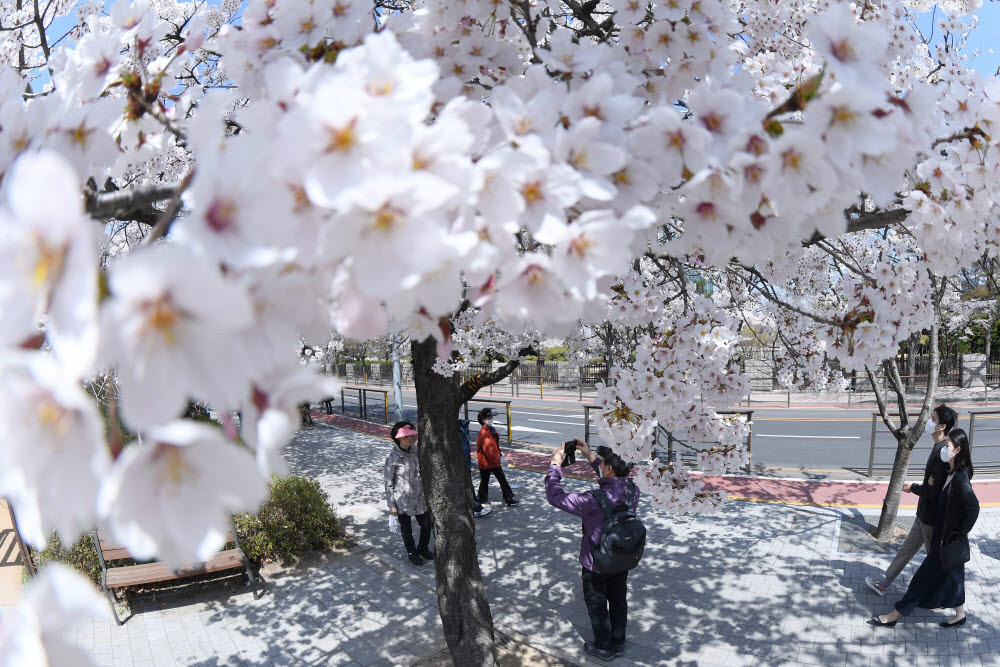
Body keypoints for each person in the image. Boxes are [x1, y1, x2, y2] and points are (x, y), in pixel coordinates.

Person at [872, 428, 980, 628]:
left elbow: (974, 508)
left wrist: (959, 533)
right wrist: (927, 485)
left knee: (921, 579)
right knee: (954, 576)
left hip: (947, 540)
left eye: (947, 445)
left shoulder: (961, 478)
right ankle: (960, 614)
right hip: (944, 536)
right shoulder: (951, 472)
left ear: (957, 450)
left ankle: (895, 615)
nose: (944, 448)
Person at [546, 439, 639, 661]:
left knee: (597, 603)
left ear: (608, 468)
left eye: (603, 462)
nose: (602, 465)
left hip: (595, 562)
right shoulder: (632, 490)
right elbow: (612, 478)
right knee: (618, 598)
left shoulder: (591, 500)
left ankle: (604, 647)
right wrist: (590, 456)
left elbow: (555, 497)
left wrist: (555, 466)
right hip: (622, 556)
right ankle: (619, 641)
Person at [865, 404, 958, 596]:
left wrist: (913, 488)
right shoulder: (938, 448)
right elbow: (932, 486)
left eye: (933, 419)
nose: (928, 423)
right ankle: (883, 584)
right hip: (923, 514)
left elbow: (933, 491)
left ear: (942, 426)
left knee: (936, 560)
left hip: (931, 518)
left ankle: (950, 596)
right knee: (906, 551)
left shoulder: (942, 452)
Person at [384, 421, 435, 565]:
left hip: (419, 497)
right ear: (399, 438)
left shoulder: (416, 451)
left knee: (426, 524)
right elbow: (388, 482)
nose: (410, 438)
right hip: (402, 500)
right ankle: (412, 552)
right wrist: (391, 504)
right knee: (406, 529)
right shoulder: (393, 457)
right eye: (406, 436)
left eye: (411, 435)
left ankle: (422, 548)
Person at [476, 407, 518, 506]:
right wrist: (499, 457)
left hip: (493, 461)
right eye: (489, 417)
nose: (492, 419)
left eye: (492, 417)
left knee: (501, 479)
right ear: (484, 420)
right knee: (485, 482)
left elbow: (494, 446)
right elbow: (489, 450)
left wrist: (500, 453)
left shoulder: (491, 430)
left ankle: (508, 498)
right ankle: (481, 500)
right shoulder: (483, 433)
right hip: (486, 462)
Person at [459, 419, 491, 517]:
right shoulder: (454, 429)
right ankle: (474, 507)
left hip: (464, 463)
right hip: (460, 464)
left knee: (468, 485)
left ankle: (475, 503)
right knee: (464, 486)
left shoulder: (459, 426)